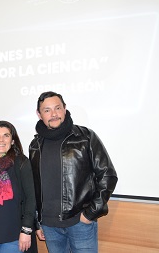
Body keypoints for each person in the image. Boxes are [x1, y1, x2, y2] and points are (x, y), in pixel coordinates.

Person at [29, 91, 118, 253]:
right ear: (39, 114)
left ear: (65, 109)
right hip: (49, 227)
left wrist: (90, 213)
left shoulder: (85, 137)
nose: (54, 114)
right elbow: (34, 186)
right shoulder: (35, 145)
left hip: (80, 223)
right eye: (47, 110)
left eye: (57, 108)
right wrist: (38, 221)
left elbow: (108, 176)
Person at [0, 121, 37, 253]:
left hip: (14, 234)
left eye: (6, 135)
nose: (1, 140)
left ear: (13, 140)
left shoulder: (21, 163)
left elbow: (31, 199)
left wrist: (26, 230)